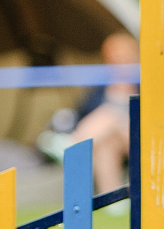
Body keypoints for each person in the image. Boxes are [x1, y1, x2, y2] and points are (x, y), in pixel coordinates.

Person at [38, 31, 138, 192]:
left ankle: (70, 145)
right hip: (110, 139)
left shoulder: (145, 86)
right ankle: (112, 197)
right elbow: (82, 114)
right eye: (113, 57)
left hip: (136, 139)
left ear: (134, 57)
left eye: (123, 57)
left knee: (110, 114)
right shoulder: (99, 89)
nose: (118, 62)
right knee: (106, 144)